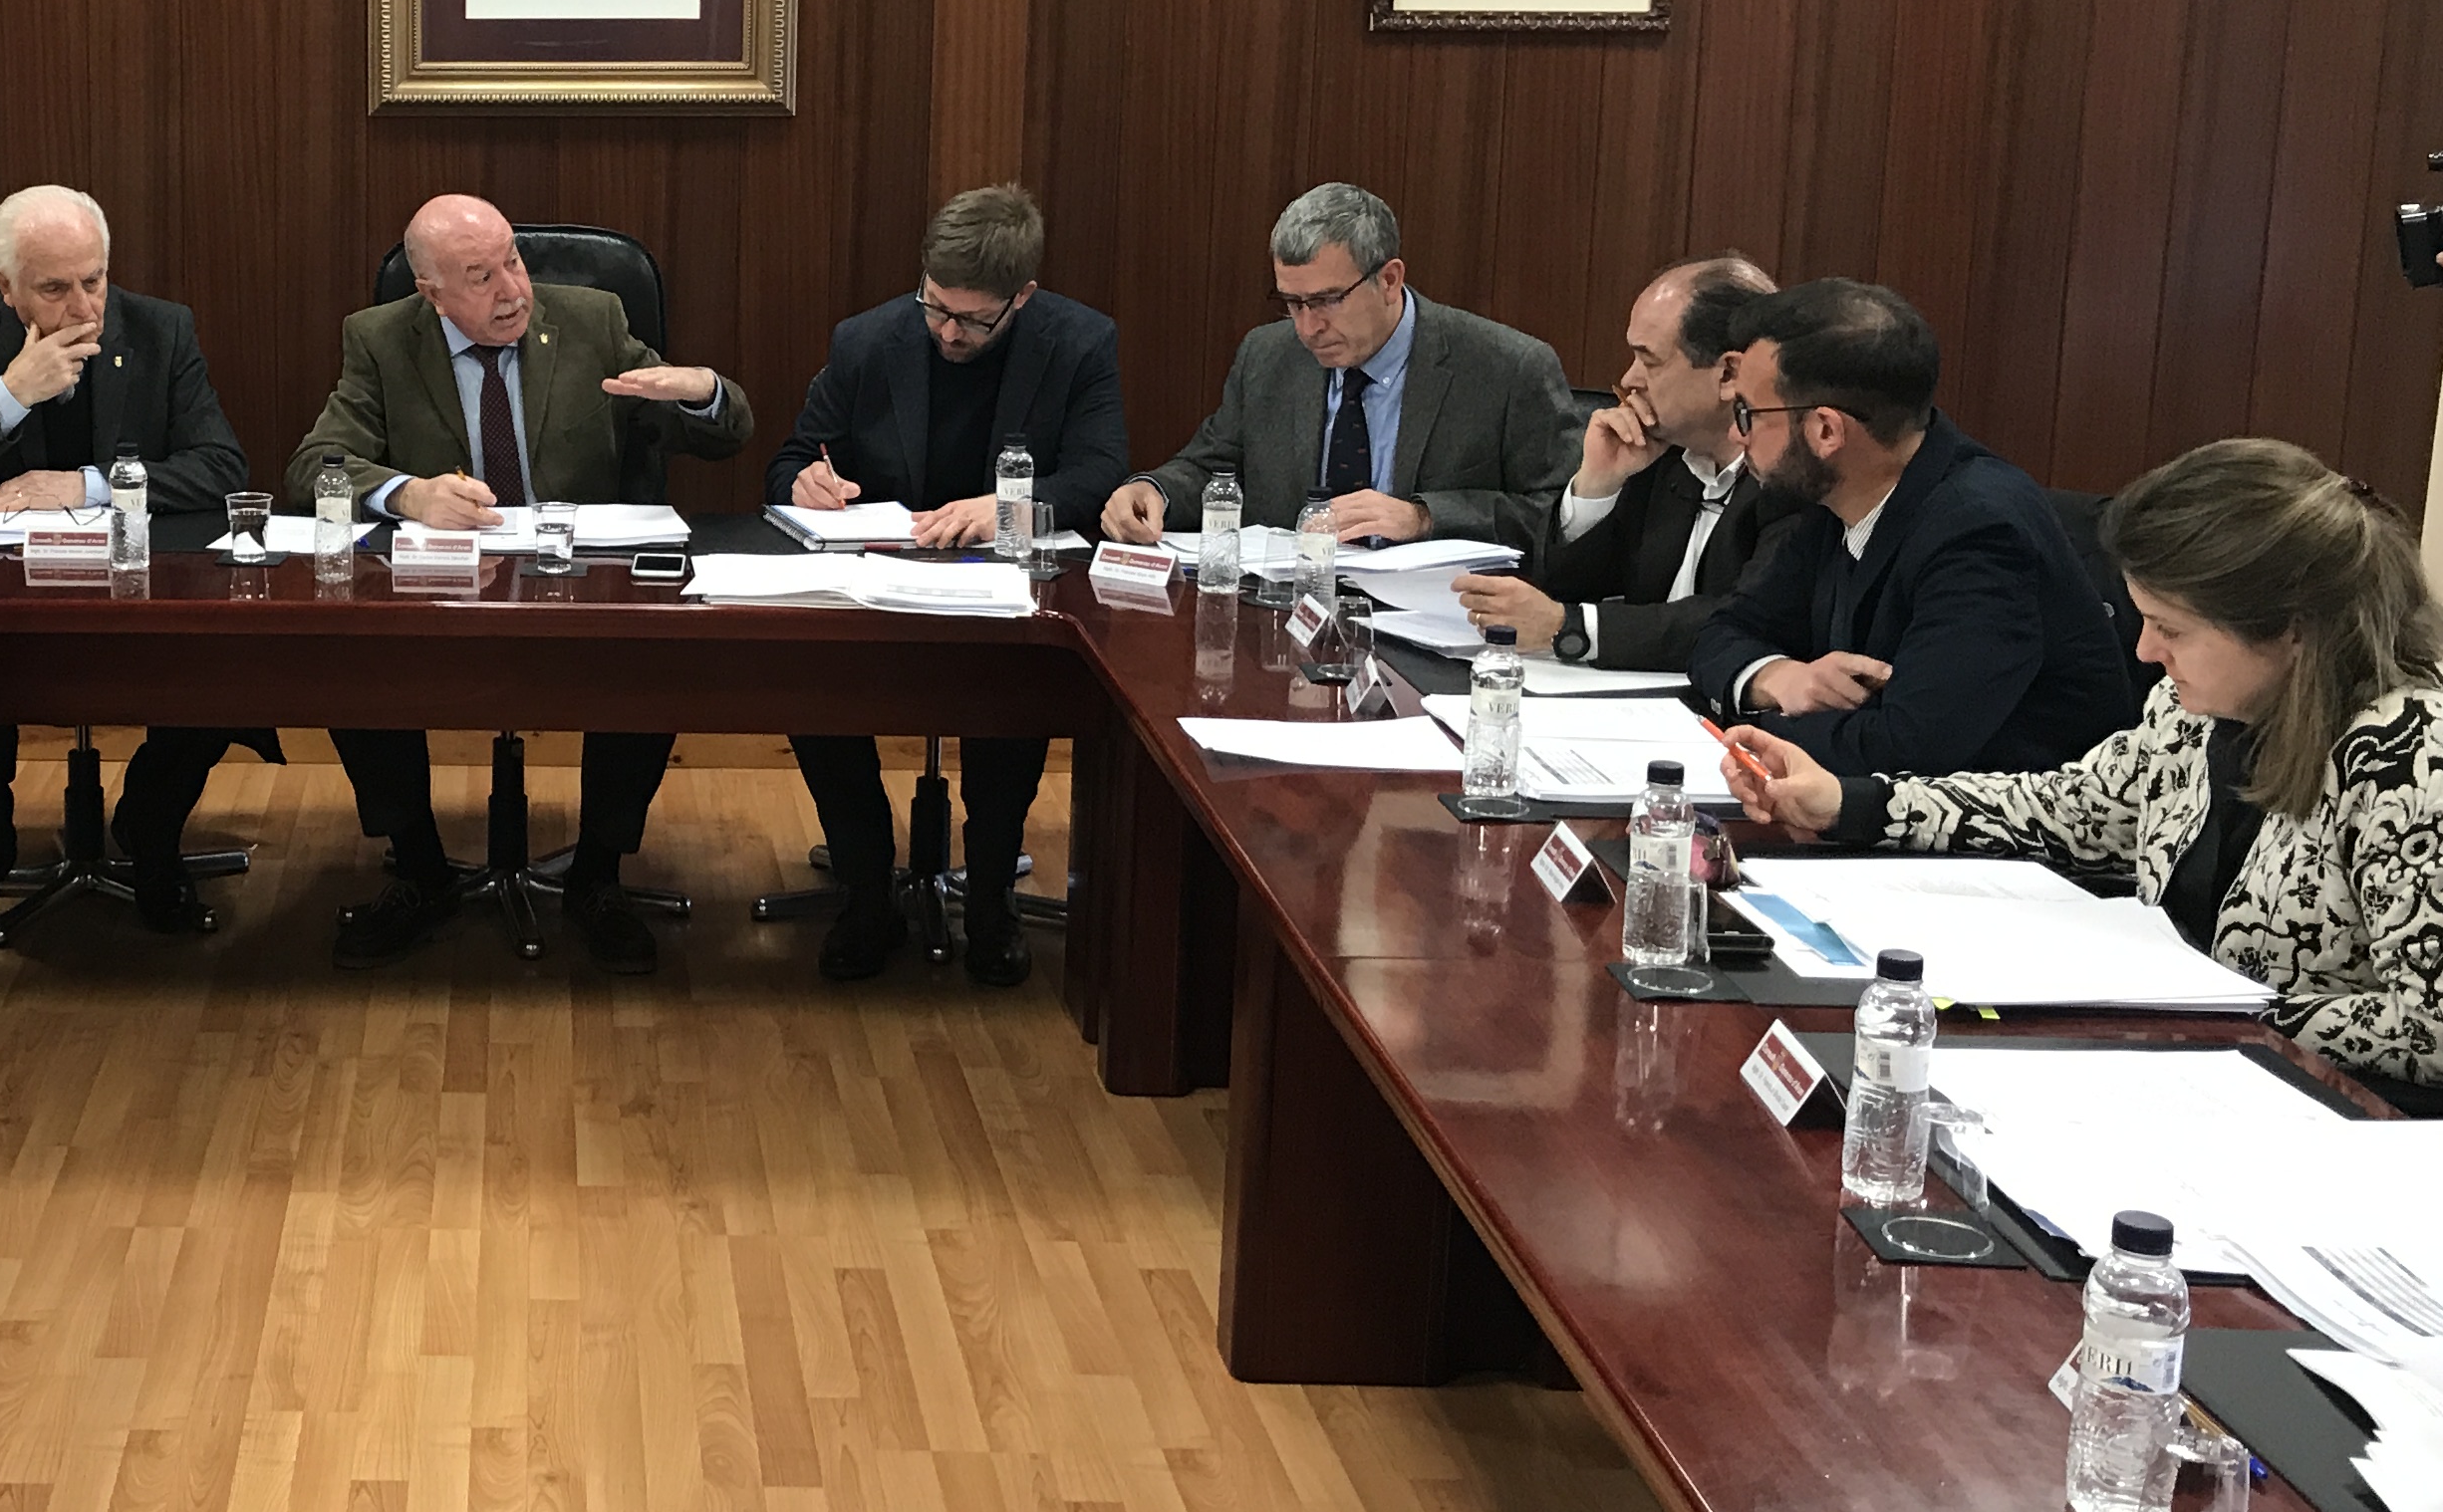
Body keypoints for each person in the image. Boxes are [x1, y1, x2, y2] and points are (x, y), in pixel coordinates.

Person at [1724, 439, 2443, 1108]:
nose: (2145, 653)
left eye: (2171, 629)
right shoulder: (2200, 704)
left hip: (2331, 1117)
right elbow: (2078, 810)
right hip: (2183, 1073)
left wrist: (2223, 1012)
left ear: (2292, 632)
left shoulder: (2425, 752)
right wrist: (1852, 803)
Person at [286, 193, 752, 976]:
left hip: (581, 584)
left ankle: (599, 875)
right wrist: (409, 494)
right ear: (430, 293)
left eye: (514, 261)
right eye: (481, 276)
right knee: (350, 647)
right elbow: (312, 466)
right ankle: (421, 870)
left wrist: (702, 390)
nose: (512, 290)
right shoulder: (380, 339)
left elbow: (725, 428)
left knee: (652, 649)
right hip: (444, 588)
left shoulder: (594, 321)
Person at [765, 184, 1125, 986]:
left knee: (1015, 690)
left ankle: (992, 899)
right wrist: (805, 484)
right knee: (812, 676)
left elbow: (1101, 471)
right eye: (935, 307)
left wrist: (1007, 508)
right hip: (878, 584)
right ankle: (866, 889)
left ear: (1022, 297)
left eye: (972, 319)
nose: (948, 332)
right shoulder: (867, 340)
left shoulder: (1078, 342)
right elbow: (793, 456)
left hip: (1002, 594)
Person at [0, 184, 252, 943]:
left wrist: (85, 487)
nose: (84, 308)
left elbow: (221, 467)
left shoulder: (160, 331)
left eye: (95, 280)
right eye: (55, 289)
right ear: (5, 286)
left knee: (225, 662)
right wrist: (8, 397)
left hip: (140, 586)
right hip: (1, 595)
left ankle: (151, 834)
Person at [1686, 278, 2139, 777]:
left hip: (2008, 815)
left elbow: (1909, 747)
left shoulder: (1981, 533)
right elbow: (1722, 633)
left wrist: (1744, 735)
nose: (1737, 434)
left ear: (1825, 430)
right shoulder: (1835, 495)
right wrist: (1777, 676)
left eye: (1747, 413)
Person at [1102, 182, 1577, 554]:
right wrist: (1154, 490)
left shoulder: (1507, 370)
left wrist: (1425, 517)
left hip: (1435, 622)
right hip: (1287, 612)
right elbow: (1215, 466)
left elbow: (1557, 518)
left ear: (1389, 280)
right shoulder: (1267, 356)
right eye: (1293, 303)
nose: (1308, 328)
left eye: (1328, 301)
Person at [1450, 255, 1778, 672]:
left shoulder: (1791, 476)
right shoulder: (1661, 457)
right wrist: (1596, 484)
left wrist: (1571, 627)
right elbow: (1564, 589)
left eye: (1649, 361)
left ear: (1728, 374)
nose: (1628, 380)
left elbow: (1743, 618)